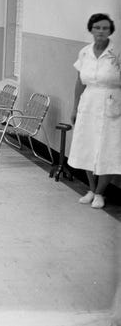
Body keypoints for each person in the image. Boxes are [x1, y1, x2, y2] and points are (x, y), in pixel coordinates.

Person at [68, 13, 121, 209]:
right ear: (91, 29)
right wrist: (74, 107)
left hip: (112, 103)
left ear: (110, 31)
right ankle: (91, 189)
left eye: (105, 28)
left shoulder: (117, 53)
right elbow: (79, 81)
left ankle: (100, 193)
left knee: (109, 149)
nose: (101, 31)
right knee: (87, 145)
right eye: (97, 27)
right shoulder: (84, 53)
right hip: (88, 102)